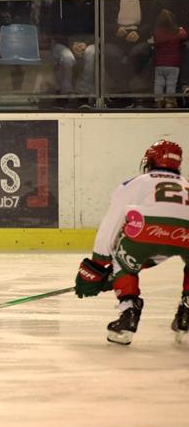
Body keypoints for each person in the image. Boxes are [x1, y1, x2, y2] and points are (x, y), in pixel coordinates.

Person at [74, 139, 189, 345]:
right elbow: (168, 241)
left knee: (122, 260)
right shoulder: (187, 185)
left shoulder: (138, 182)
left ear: (150, 160)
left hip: (149, 229)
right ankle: (187, 312)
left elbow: (112, 222)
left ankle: (129, 313)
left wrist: (98, 265)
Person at [46, 0, 96, 105]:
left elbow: (99, 27)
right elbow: (54, 29)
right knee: (67, 57)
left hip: (89, 42)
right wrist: (71, 43)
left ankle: (84, 95)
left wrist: (86, 43)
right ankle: (64, 93)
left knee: (91, 53)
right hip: (63, 42)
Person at [151, 9, 187, 108]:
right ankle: (170, 102)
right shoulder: (177, 32)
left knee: (158, 83)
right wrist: (181, 28)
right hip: (173, 64)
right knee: (171, 84)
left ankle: (159, 100)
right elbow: (184, 36)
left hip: (159, 64)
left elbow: (153, 40)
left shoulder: (157, 32)